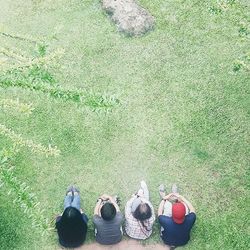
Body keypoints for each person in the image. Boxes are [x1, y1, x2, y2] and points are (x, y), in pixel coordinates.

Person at [158, 184, 196, 248]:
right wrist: (182, 198)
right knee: (184, 205)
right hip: (183, 241)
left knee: (167, 205)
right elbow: (192, 209)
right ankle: (176, 197)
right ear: (185, 213)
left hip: (166, 241)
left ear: (171, 213)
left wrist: (164, 199)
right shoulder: (191, 219)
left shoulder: (166, 221)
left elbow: (159, 212)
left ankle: (163, 195)